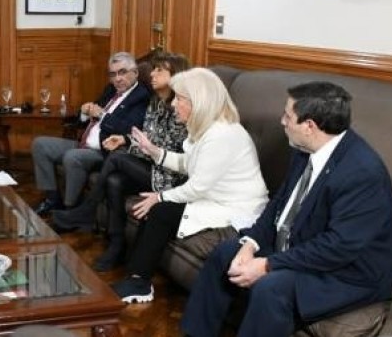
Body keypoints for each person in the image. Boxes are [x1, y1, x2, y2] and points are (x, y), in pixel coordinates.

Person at [180, 81, 392, 337]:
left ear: (309, 126)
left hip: (348, 272)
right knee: (225, 253)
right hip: (301, 246)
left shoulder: (362, 173)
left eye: (288, 116)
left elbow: (338, 247)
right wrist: (250, 244)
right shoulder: (305, 149)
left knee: (271, 288)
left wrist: (268, 264)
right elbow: (280, 204)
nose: (282, 121)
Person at [111, 67, 269, 303]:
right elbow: (189, 163)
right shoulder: (208, 129)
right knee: (156, 210)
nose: (174, 104)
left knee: (159, 210)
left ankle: (139, 282)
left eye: (180, 98)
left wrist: (160, 196)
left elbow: (197, 187)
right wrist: (154, 151)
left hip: (237, 210)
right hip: (215, 199)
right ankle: (136, 277)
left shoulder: (222, 135)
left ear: (199, 102)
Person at [51, 51, 190, 271]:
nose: (151, 74)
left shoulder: (182, 107)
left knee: (116, 158)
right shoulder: (155, 102)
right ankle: (116, 245)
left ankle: (87, 210)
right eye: (153, 69)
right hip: (152, 166)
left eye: (158, 70)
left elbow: (167, 149)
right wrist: (125, 140)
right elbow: (148, 140)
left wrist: (135, 144)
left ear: (176, 75)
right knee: (114, 181)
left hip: (170, 176)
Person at [32, 52, 151, 216]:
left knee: (73, 157)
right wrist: (84, 112)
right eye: (113, 74)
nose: (117, 79)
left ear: (135, 72)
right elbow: (86, 117)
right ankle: (52, 199)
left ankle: (70, 209)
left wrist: (102, 115)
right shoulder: (111, 89)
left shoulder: (141, 97)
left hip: (104, 151)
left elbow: (128, 129)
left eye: (122, 72)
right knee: (40, 144)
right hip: (84, 143)